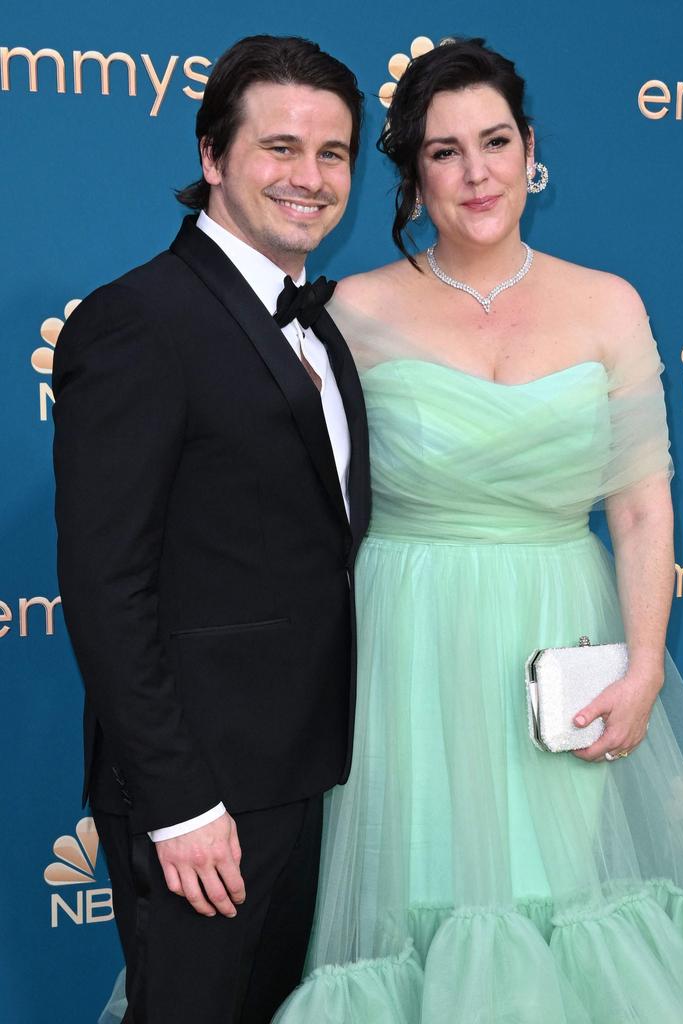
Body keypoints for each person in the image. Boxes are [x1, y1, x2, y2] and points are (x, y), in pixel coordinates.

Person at [272, 38, 683, 1024]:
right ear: (414, 172)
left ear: (530, 148)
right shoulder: (348, 313)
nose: (477, 172)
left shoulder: (608, 304)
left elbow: (639, 504)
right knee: (423, 903)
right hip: (405, 643)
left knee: (557, 900)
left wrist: (645, 667)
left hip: (560, 639)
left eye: (495, 141)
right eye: (446, 151)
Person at [52, 34, 370, 1024]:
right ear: (210, 156)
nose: (309, 179)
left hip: (299, 774)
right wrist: (181, 802)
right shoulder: (139, 320)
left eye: (333, 154)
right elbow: (107, 585)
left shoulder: (314, 321)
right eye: (279, 148)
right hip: (201, 795)